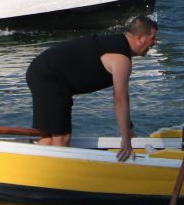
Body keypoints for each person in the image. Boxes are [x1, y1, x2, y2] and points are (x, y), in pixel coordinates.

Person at [24, 15, 159, 161]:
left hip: (41, 70)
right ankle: (53, 173)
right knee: (62, 138)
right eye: (153, 38)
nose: (155, 42)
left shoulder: (117, 45)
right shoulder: (121, 58)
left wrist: (129, 130)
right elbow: (120, 99)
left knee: (48, 137)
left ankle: (35, 168)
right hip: (50, 76)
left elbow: (120, 100)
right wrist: (126, 141)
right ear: (140, 38)